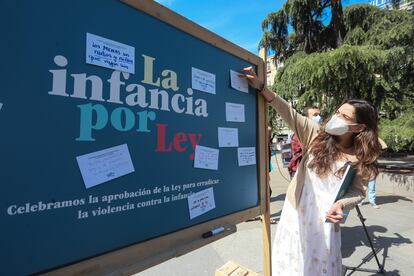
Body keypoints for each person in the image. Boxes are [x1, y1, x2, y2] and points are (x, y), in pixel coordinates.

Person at [242, 67, 382, 276]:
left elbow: (359, 192)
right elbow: (288, 112)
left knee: (318, 268)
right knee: (291, 265)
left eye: (344, 116)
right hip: (295, 214)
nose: (336, 117)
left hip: (325, 224)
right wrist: (262, 87)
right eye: (337, 111)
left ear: (359, 127)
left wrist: (341, 205)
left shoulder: (361, 156)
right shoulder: (316, 134)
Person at [288, 106, 322, 178]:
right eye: (315, 115)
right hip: (300, 171)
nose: (319, 117)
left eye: (319, 114)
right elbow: (312, 149)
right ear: (305, 119)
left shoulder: (318, 131)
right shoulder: (301, 133)